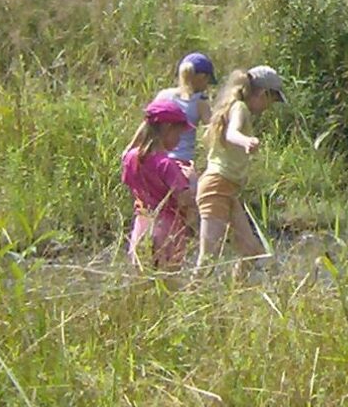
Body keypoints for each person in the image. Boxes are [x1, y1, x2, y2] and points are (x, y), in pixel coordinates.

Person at [195, 65, 285, 262]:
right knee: (208, 259)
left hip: (228, 189)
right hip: (217, 186)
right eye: (271, 100)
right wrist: (246, 141)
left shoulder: (233, 106)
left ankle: (239, 292)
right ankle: (189, 291)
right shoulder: (240, 107)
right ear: (262, 93)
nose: (269, 107)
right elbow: (232, 133)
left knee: (252, 253)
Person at [121, 90, 196, 269]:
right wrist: (193, 180)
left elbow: (127, 180)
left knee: (142, 279)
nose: (178, 141)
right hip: (168, 230)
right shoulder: (166, 164)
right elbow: (184, 199)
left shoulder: (131, 157)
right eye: (178, 134)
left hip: (141, 226)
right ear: (168, 129)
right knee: (168, 280)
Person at [168, 53, 216, 167]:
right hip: (183, 162)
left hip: (159, 159)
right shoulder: (200, 103)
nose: (206, 86)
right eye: (207, 81)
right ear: (202, 77)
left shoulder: (164, 95)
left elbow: (147, 125)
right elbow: (213, 130)